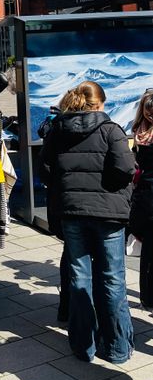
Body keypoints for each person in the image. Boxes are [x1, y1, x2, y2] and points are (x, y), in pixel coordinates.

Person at [40, 81, 135, 364]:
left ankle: (84, 346)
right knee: (113, 278)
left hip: (72, 213)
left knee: (79, 277)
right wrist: (111, 191)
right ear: (100, 103)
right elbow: (126, 169)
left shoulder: (57, 130)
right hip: (108, 214)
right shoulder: (111, 130)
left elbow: (46, 171)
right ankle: (117, 347)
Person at [125, 91, 153, 308]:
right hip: (144, 196)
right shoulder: (138, 131)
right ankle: (148, 297)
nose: (150, 114)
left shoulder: (140, 132)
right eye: (147, 109)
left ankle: (149, 297)